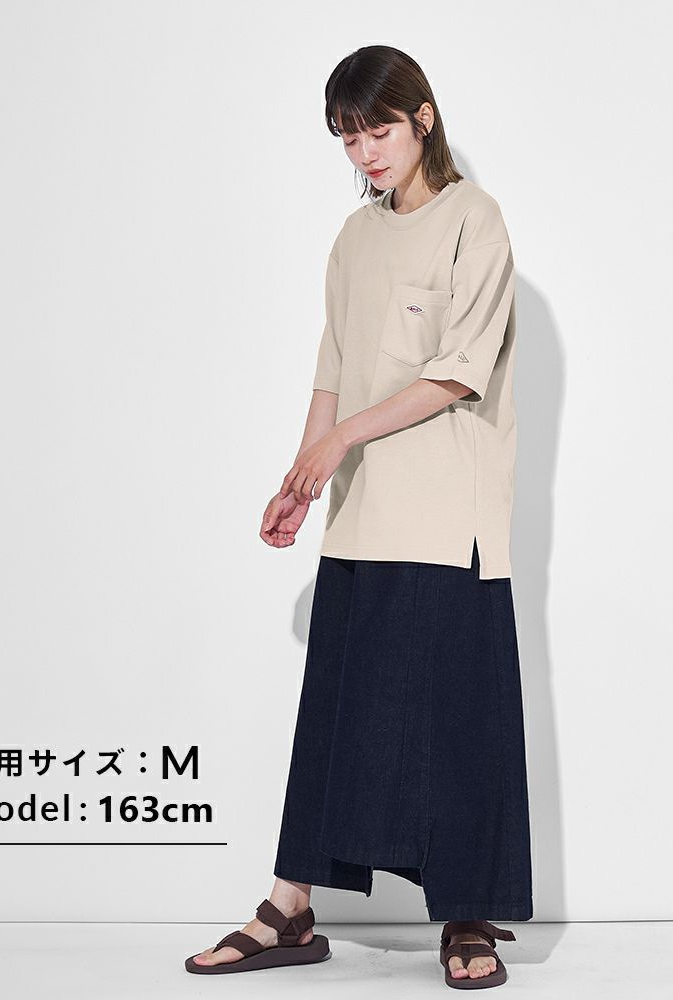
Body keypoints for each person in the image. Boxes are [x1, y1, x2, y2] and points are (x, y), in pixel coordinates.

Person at [185, 44, 533, 990]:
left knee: (455, 725)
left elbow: (458, 371)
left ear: (423, 117)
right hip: (363, 515)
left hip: (451, 519)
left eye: (377, 128)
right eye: (347, 136)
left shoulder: (475, 220)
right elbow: (333, 371)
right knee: (336, 720)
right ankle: (289, 908)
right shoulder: (353, 238)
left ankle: (466, 913)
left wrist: (339, 443)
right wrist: (302, 477)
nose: (365, 150)